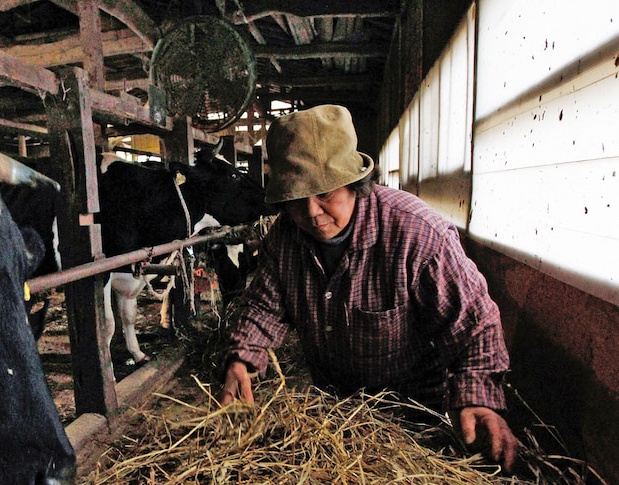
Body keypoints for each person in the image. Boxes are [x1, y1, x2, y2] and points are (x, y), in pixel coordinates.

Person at [218, 104, 519, 471]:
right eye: (296, 200)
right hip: (333, 418)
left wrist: (477, 397)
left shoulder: (418, 235)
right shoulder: (285, 238)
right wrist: (241, 358)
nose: (311, 212)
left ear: (355, 184)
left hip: (416, 421)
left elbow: (473, 323)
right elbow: (266, 305)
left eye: (325, 194)